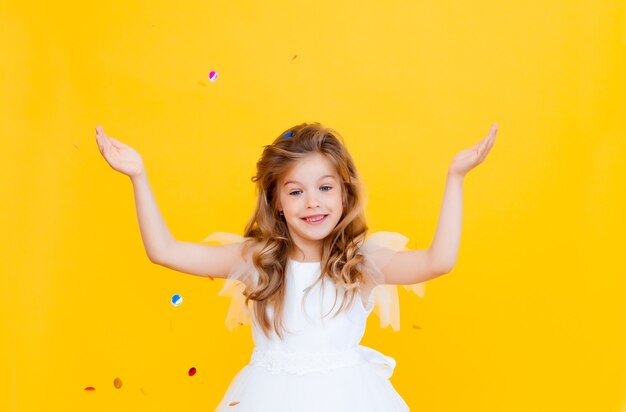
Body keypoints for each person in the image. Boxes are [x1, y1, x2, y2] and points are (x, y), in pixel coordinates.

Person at [95, 121, 497, 411]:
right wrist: (138, 176)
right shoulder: (256, 260)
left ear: (345, 192)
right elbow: (164, 250)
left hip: (350, 399)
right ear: (277, 203)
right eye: (296, 191)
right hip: (266, 397)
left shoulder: (361, 261)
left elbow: (438, 261)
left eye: (325, 188)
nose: (313, 203)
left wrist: (455, 177)